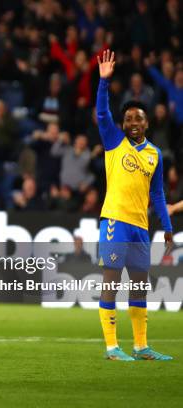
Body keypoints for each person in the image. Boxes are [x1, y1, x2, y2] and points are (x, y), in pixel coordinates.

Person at [95, 49, 173, 361]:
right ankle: (112, 347)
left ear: (146, 123)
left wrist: (167, 227)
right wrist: (104, 83)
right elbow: (102, 115)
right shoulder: (114, 141)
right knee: (111, 280)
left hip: (141, 226)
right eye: (127, 118)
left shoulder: (155, 154)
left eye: (137, 118)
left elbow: (158, 195)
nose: (132, 122)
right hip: (115, 220)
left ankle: (141, 346)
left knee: (140, 286)